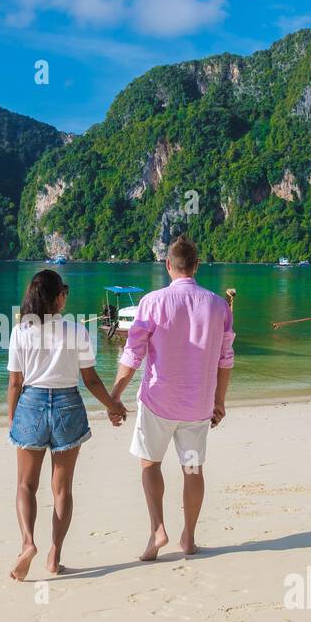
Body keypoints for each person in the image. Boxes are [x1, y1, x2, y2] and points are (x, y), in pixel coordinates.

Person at [110, 235, 235, 561]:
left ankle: (158, 530)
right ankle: (189, 538)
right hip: (198, 406)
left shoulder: (151, 302)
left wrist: (114, 396)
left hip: (157, 403)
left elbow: (132, 354)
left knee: (150, 464)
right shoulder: (219, 305)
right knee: (193, 469)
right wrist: (219, 402)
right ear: (196, 266)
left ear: (168, 265)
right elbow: (226, 359)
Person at [6, 270, 127, 581]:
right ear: (58, 297)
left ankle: (28, 543)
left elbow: (15, 383)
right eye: (65, 292)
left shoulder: (20, 331)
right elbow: (91, 380)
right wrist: (114, 406)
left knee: (25, 485)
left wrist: (13, 420)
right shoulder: (76, 331)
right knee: (62, 490)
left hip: (31, 405)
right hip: (67, 406)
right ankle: (55, 554)